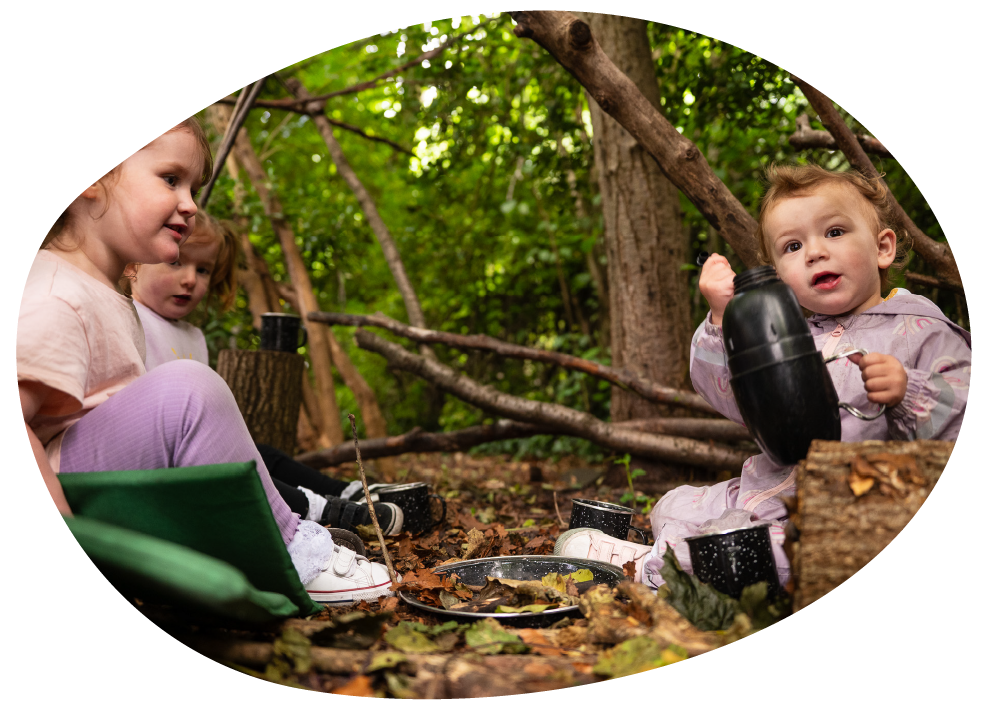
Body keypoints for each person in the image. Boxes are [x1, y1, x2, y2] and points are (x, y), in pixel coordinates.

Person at [17, 119, 394, 604]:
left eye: (194, 186)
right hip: (77, 496)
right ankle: (294, 551)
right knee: (187, 390)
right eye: (171, 179)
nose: (191, 204)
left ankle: (252, 545)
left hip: (115, 489)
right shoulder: (56, 291)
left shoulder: (99, 292)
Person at [556, 164, 972, 590]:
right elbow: (735, 401)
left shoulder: (920, 330)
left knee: (753, 553)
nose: (814, 252)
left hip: (844, 512)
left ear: (883, 247)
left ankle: (646, 566)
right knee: (671, 504)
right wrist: (723, 319)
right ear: (777, 274)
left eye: (833, 232)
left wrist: (908, 391)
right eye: (792, 245)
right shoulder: (787, 334)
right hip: (768, 487)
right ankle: (678, 544)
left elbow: (964, 422)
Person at [122, 211, 402, 535]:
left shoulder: (194, 336)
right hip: (165, 466)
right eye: (176, 263)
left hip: (199, 454)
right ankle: (324, 511)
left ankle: (347, 492)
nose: (190, 279)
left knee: (262, 454)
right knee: (241, 470)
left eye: (203, 270)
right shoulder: (129, 317)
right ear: (133, 264)